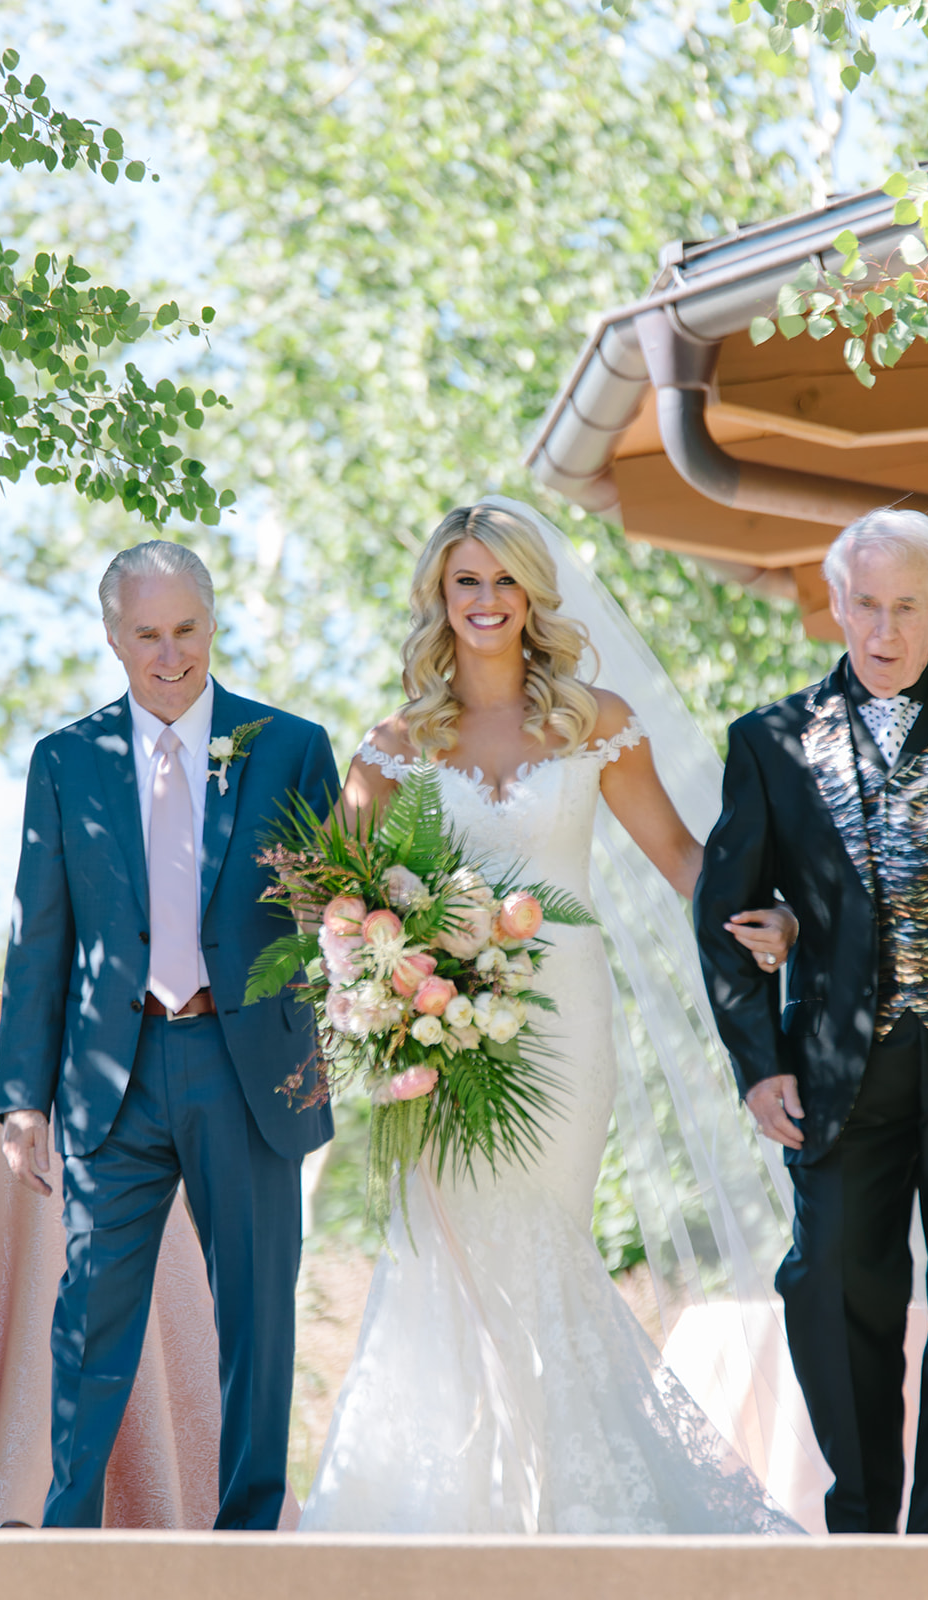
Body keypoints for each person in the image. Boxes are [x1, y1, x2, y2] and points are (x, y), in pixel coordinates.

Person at [298, 499, 800, 1535]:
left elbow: (679, 859)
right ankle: (460, 1507)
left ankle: (561, 1504)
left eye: (502, 581)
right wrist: (373, 976)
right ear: (440, 598)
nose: (484, 602)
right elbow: (326, 897)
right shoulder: (394, 745)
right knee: (442, 1255)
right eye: (464, 582)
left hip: (562, 1029)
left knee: (541, 1244)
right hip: (435, 1031)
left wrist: (765, 918)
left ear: (531, 595)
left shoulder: (593, 722)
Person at [0, 539, 338, 1529]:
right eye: (147, 632)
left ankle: (250, 1541)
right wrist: (22, 1097)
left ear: (212, 625)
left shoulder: (289, 745)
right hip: (115, 1071)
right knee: (89, 1316)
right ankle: (66, 1539)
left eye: (186, 628)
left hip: (254, 1069)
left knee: (258, 1321)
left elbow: (337, 919)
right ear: (113, 636)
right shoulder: (65, 761)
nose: (170, 652)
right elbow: (39, 936)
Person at [695, 508, 928, 1535]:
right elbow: (727, 915)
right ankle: (862, 1529)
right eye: (864, 603)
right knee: (826, 1287)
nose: (883, 627)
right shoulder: (766, 741)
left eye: (905, 605)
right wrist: (755, 1061)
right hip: (834, 1062)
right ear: (834, 603)